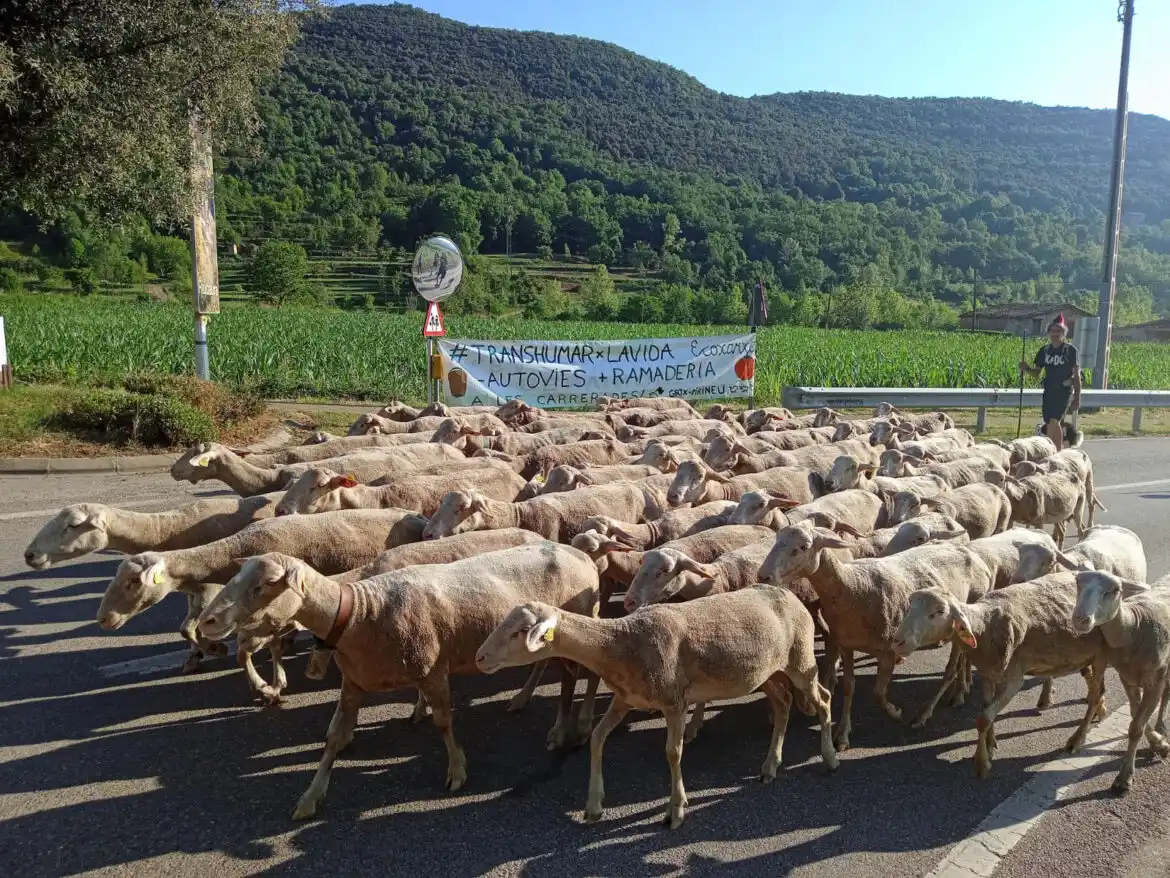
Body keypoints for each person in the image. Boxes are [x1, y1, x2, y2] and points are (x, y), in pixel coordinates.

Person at [1019, 314, 1081, 451]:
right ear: (1048, 332)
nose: (1055, 334)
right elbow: (1036, 373)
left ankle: (1057, 452)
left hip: (1063, 390)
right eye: (1052, 331)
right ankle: (1054, 450)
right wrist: (1026, 368)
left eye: (1058, 331)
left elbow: (1077, 377)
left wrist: (1077, 398)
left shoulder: (1070, 351)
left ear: (1063, 333)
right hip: (1049, 391)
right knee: (1048, 423)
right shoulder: (1044, 351)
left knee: (1055, 421)